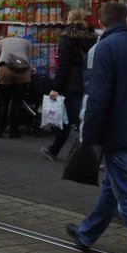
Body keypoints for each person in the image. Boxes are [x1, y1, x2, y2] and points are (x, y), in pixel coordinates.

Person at [66, 1, 127, 253]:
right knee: (113, 189)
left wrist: (88, 136)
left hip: (120, 134)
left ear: (101, 23)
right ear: (126, 19)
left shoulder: (104, 49)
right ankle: (86, 234)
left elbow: (97, 97)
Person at [41, 8, 97, 161]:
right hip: (87, 80)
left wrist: (56, 88)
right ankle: (53, 150)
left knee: (80, 122)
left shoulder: (67, 36)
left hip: (72, 84)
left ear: (69, 19)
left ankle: (93, 157)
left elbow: (64, 65)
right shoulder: (92, 37)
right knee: (65, 119)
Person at [0, 32, 33, 138]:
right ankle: (13, 132)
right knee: (17, 102)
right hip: (23, 72)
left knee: (3, 101)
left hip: (6, 70)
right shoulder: (27, 42)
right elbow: (29, 60)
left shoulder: (2, 41)